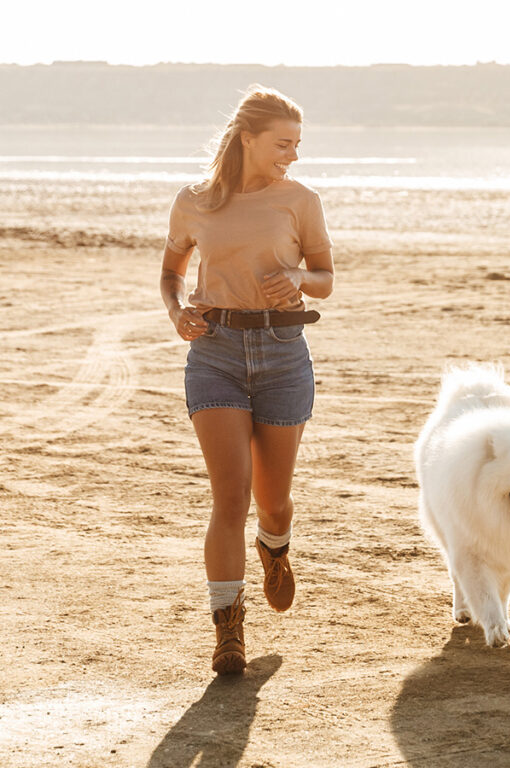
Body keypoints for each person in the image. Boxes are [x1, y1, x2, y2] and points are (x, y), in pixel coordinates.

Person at [159, 85, 334, 675]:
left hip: (284, 354)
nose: (293, 154)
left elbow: (326, 278)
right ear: (248, 139)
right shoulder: (196, 199)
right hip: (215, 352)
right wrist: (178, 310)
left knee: (273, 502)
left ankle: (275, 547)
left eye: (297, 144)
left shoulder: (301, 200)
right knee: (229, 496)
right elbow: (170, 273)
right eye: (283, 143)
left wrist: (295, 277)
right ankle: (228, 630)